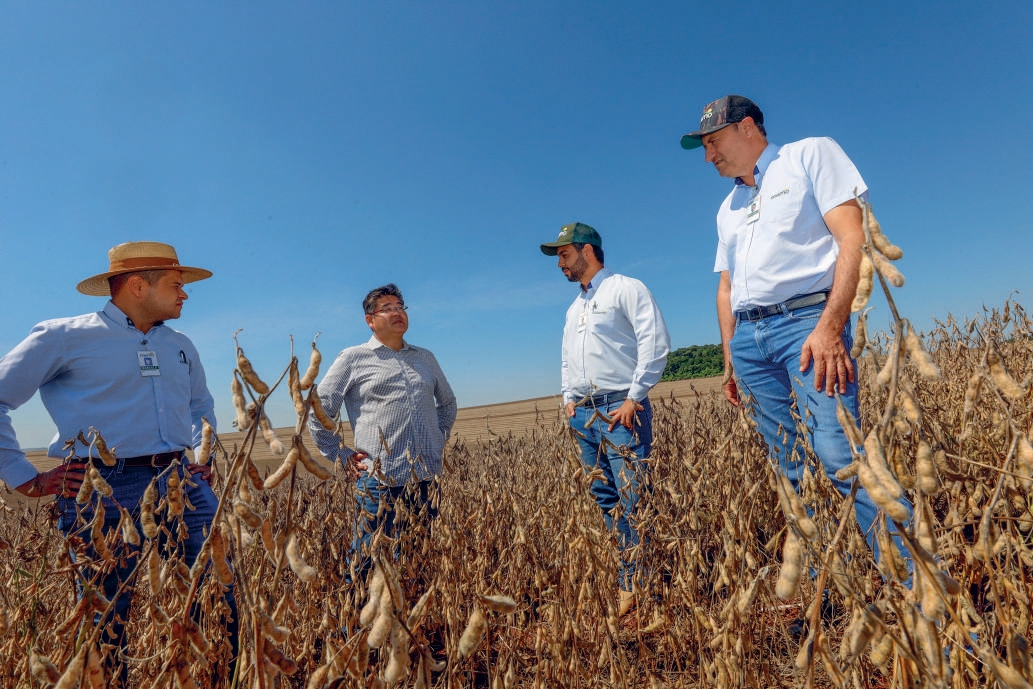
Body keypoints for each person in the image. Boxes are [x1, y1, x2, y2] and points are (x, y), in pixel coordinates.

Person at [681, 96, 911, 586]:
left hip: (806, 325)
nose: (708, 157)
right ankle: (842, 583)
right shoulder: (728, 208)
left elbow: (853, 238)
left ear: (746, 129)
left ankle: (920, 591)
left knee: (838, 455)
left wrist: (830, 326)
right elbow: (726, 286)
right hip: (749, 342)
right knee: (791, 468)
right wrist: (729, 358)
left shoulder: (809, 155)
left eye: (713, 142)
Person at [0, 241, 237, 685]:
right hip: (101, 489)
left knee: (219, 598)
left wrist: (200, 456)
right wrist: (24, 478)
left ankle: (224, 679)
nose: (184, 294)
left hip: (181, 481)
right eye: (175, 285)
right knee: (105, 616)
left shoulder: (180, 344)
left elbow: (200, 405)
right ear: (136, 286)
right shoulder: (62, 336)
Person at [540, 222, 671, 617]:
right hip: (583, 413)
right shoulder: (574, 307)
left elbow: (655, 343)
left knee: (634, 496)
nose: (560, 264)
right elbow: (567, 358)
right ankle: (631, 572)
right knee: (605, 497)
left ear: (587, 251)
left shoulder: (626, 288)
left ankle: (638, 582)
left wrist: (634, 397)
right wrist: (568, 400)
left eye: (564, 255)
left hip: (619, 408)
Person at [308, 283, 457, 585]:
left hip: (426, 479)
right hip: (380, 480)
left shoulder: (425, 358)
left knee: (418, 557)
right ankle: (353, 627)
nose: (397, 312)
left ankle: (408, 624)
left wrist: (438, 437)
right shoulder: (353, 358)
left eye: (400, 306)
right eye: (387, 308)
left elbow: (448, 402)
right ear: (370, 320)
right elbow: (318, 409)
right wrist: (339, 453)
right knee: (367, 557)